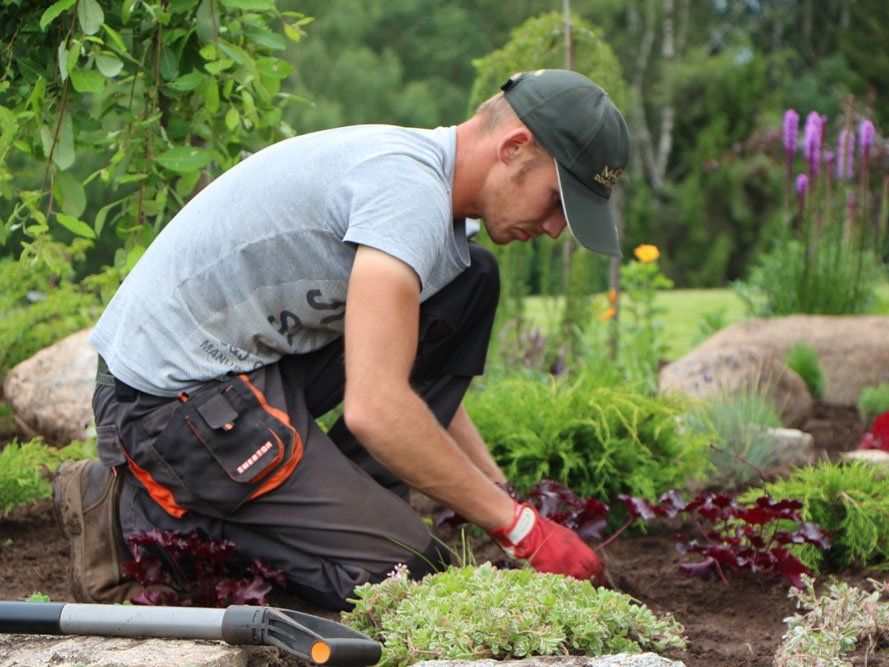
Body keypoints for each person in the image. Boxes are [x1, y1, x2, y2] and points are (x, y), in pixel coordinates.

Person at [54, 69, 630, 610]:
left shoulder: (428, 190)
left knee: (471, 282)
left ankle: (354, 501)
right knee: (407, 571)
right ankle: (139, 519)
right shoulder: (407, 195)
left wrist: (501, 493)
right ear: (514, 149)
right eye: (557, 200)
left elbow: (398, 369)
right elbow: (377, 406)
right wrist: (520, 529)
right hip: (167, 409)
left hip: (250, 372)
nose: (556, 229)